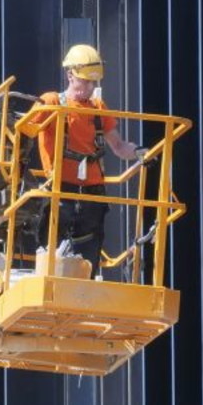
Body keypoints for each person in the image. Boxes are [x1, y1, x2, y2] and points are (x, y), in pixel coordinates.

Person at [30, 44, 141, 276]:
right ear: (70, 75)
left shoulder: (98, 108)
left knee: (89, 259)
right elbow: (24, 132)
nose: (90, 87)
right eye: (85, 81)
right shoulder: (51, 103)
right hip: (61, 192)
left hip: (92, 195)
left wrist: (141, 153)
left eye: (93, 83)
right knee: (53, 257)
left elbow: (119, 147)